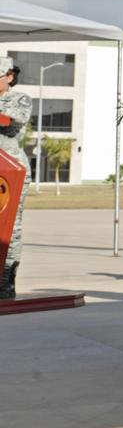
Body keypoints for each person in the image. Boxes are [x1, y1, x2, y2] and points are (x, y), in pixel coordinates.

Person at [0, 56, 32, 299]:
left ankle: (5, 282)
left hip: (10, 170)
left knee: (10, 228)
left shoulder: (19, 98)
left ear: (9, 76)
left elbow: (12, 117)